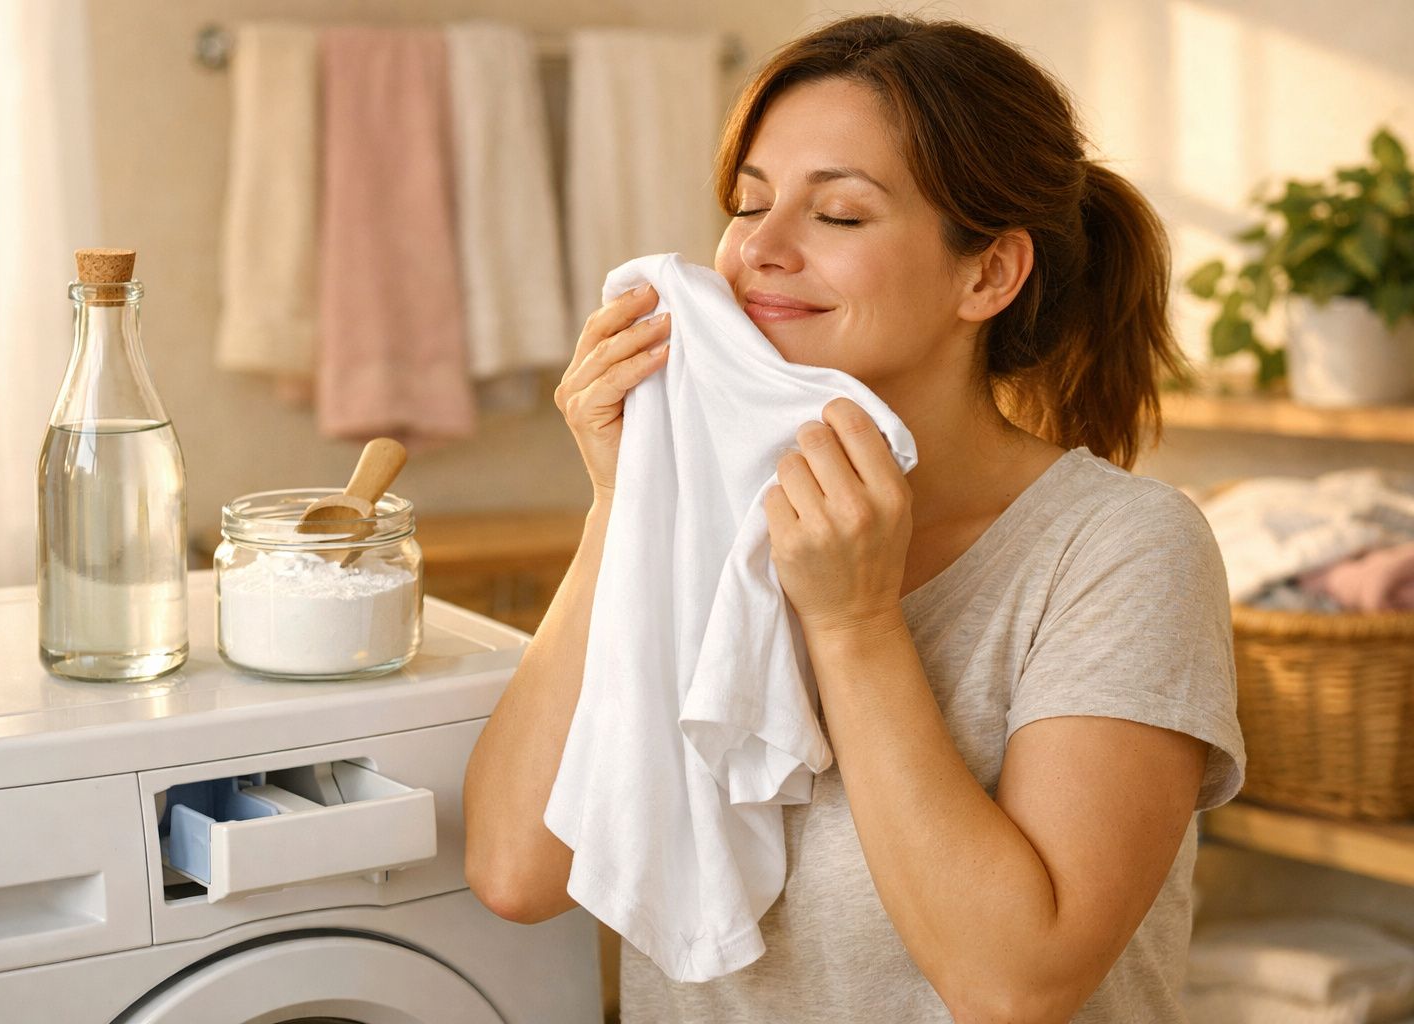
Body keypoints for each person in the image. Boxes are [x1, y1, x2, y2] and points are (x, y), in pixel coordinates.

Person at [463, 13, 1245, 1023]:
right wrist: (625, 499)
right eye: (748, 203)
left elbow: (1017, 983)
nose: (758, 250)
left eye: (836, 215)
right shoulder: (708, 520)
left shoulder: (1124, 550)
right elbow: (518, 871)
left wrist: (854, 624)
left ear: (988, 274)